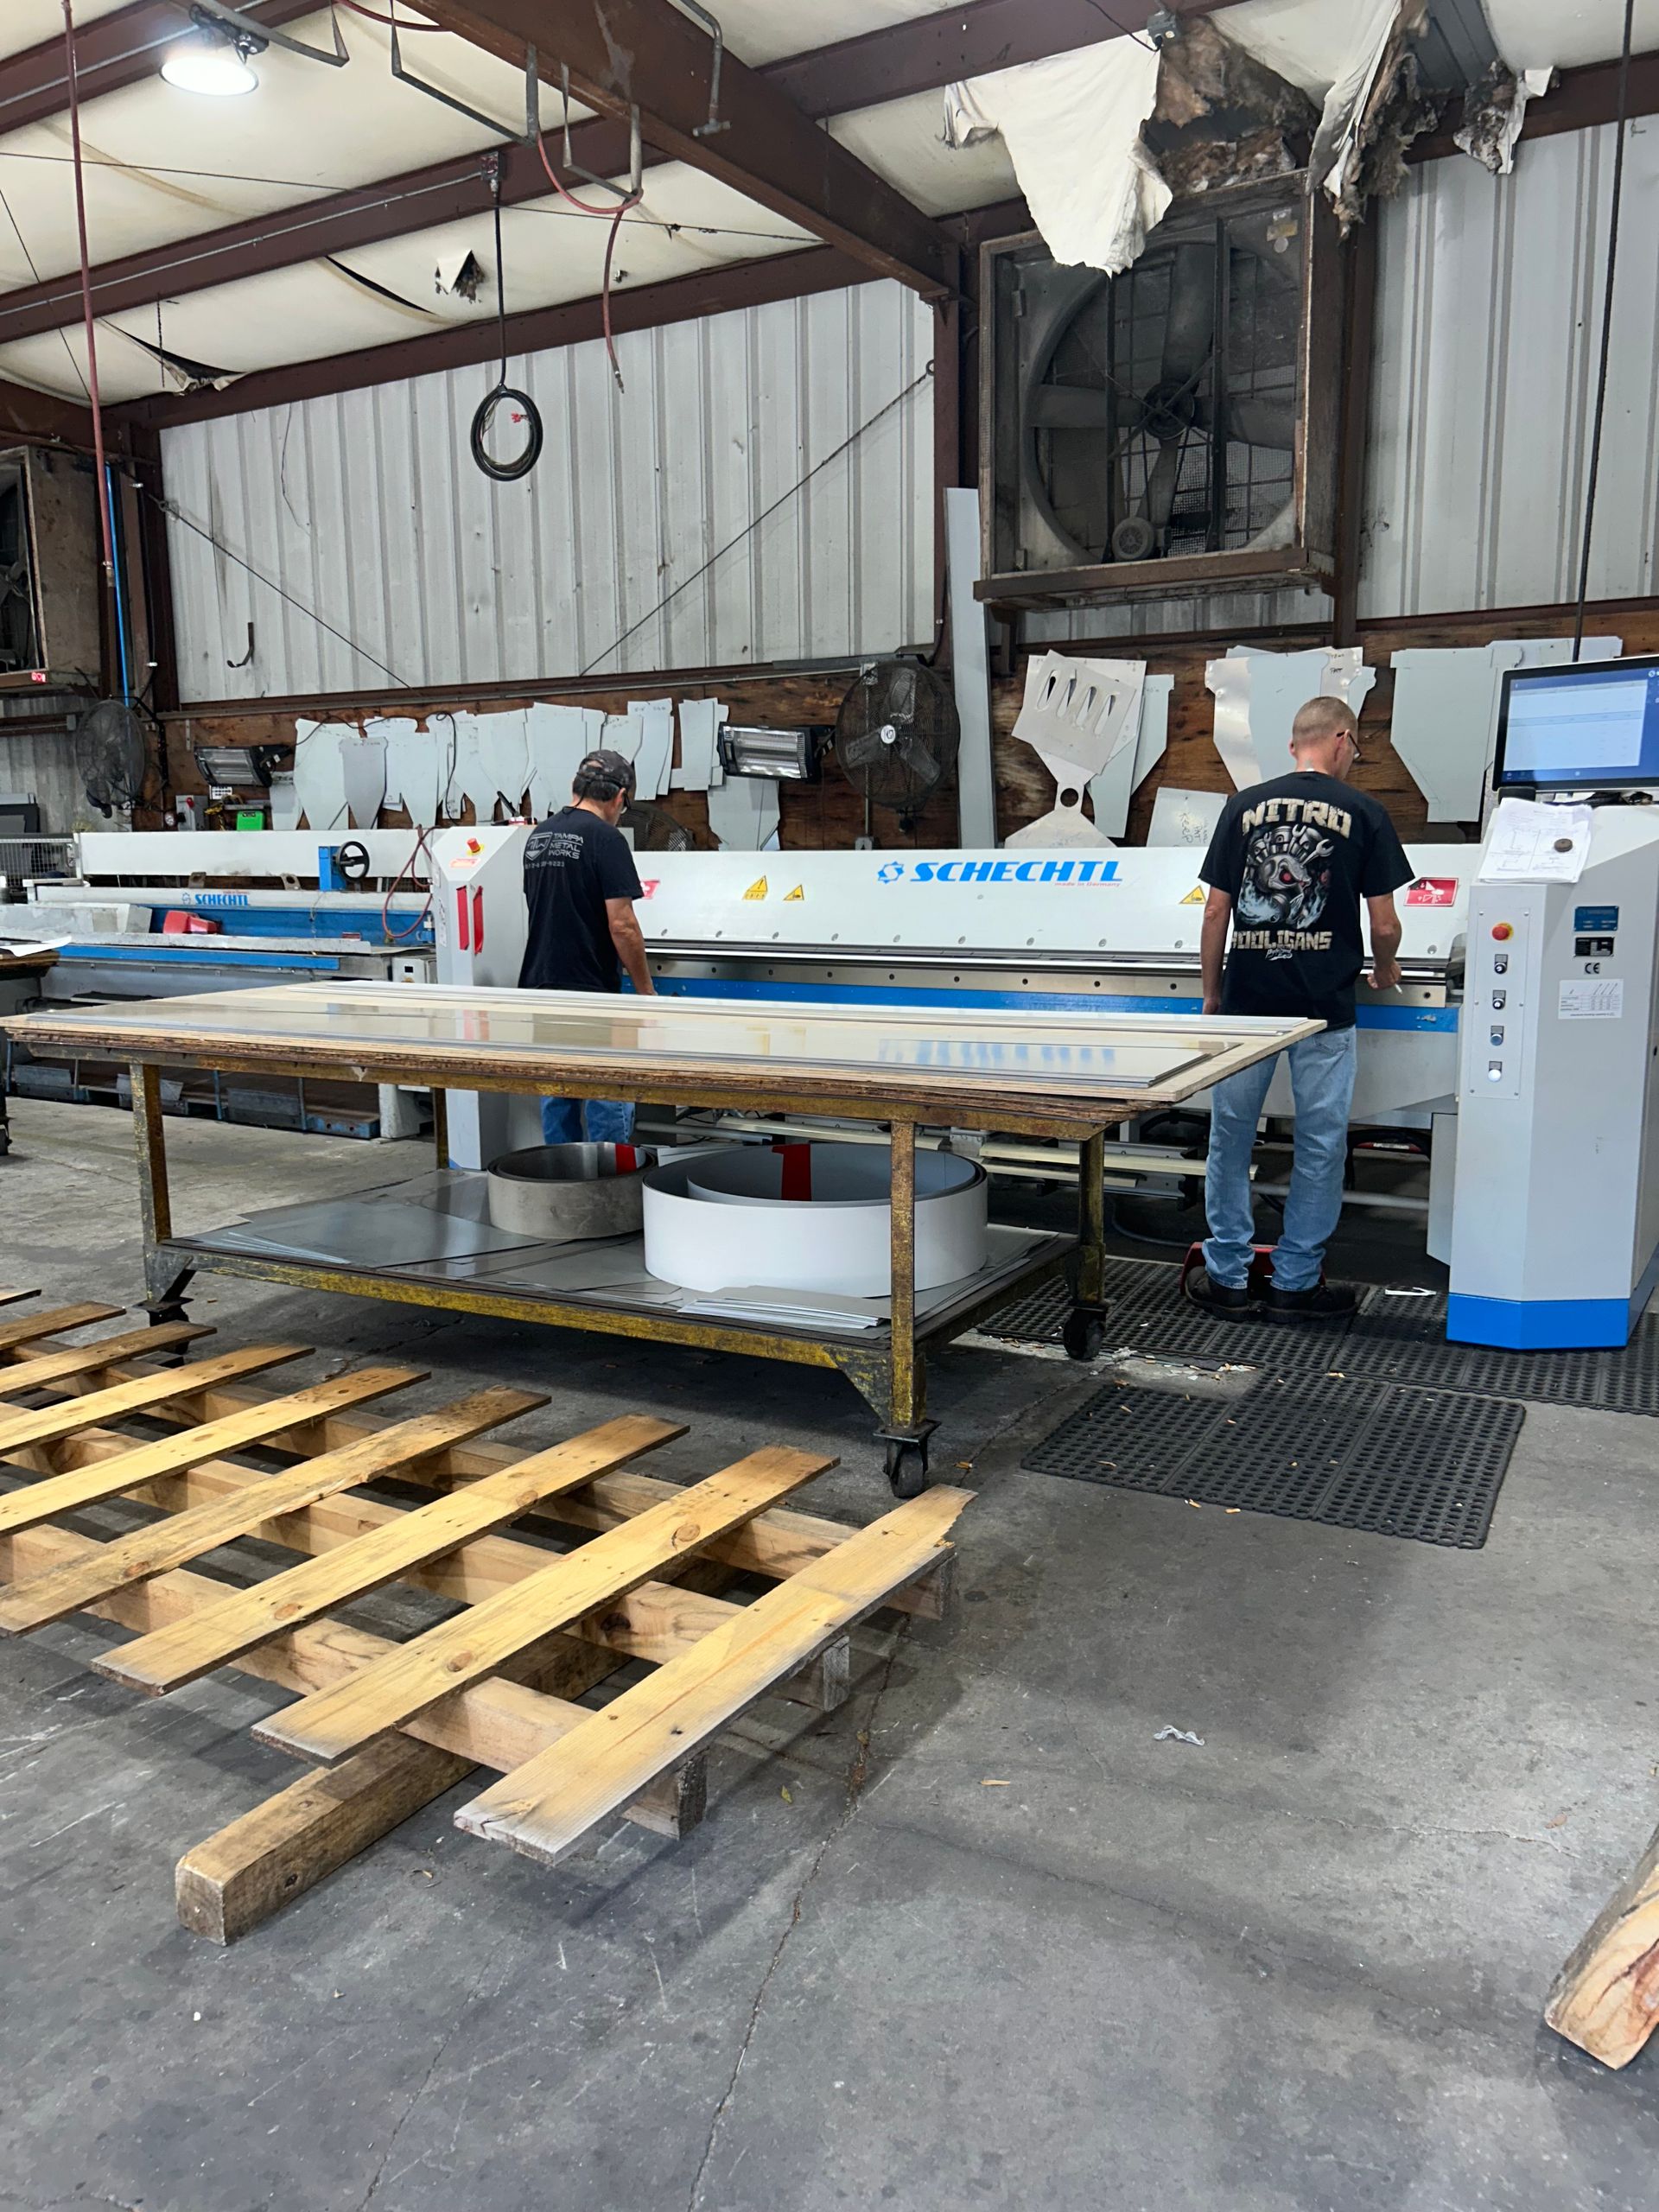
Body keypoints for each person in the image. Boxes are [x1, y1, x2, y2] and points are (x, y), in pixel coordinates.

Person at [1187, 696, 1414, 1322]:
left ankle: (1227, 1278)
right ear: (1342, 740)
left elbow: (1214, 913)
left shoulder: (1240, 807)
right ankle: (1295, 1283)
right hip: (1322, 1008)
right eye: (1357, 748)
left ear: (1296, 746)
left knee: (1230, 1138)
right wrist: (1386, 965)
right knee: (1320, 1143)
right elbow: (1387, 924)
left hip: (1249, 1005)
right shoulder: (1365, 811)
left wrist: (1214, 992)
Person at [518, 747, 656, 1147]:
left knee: (558, 1090)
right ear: (619, 797)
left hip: (541, 986)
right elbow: (623, 925)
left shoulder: (538, 836)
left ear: (575, 787)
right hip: (590, 992)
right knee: (605, 1092)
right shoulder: (605, 839)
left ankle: (562, 1178)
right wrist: (646, 994)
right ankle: (608, 1179)